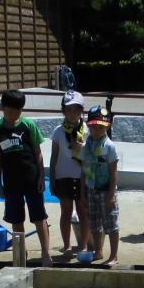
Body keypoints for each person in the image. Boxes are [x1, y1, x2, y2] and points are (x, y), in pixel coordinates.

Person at [0, 89, 52, 266]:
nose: (13, 115)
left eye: (17, 111)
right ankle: (19, 256)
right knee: (16, 220)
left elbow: (38, 153)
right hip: (11, 182)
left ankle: (46, 253)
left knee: (39, 217)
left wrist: (41, 177)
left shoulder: (28, 126)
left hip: (31, 179)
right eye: (9, 111)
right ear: (2, 108)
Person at [48, 90, 88, 256]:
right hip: (63, 176)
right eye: (69, 109)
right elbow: (54, 156)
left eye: (76, 109)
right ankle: (67, 245)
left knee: (82, 211)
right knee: (65, 212)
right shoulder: (58, 131)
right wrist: (51, 178)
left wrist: (79, 149)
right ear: (63, 111)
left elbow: (91, 156)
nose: (73, 113)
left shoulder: (87, 130)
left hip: (82, 177)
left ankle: (83, 245)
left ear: (81, 111)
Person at [81, 106, 120, 265]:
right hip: (91, 189)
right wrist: (83, 193)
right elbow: (83, 170)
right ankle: (98, 250)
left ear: (107, 126)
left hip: (106, 190)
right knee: (94, 223)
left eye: (100, 127)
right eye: (93, 126)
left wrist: (111, 195)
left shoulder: (109, 146)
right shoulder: (86, 146)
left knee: (111, 223)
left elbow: (113, 173)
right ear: (88, 125)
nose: (96, 130)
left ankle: (114, 255)